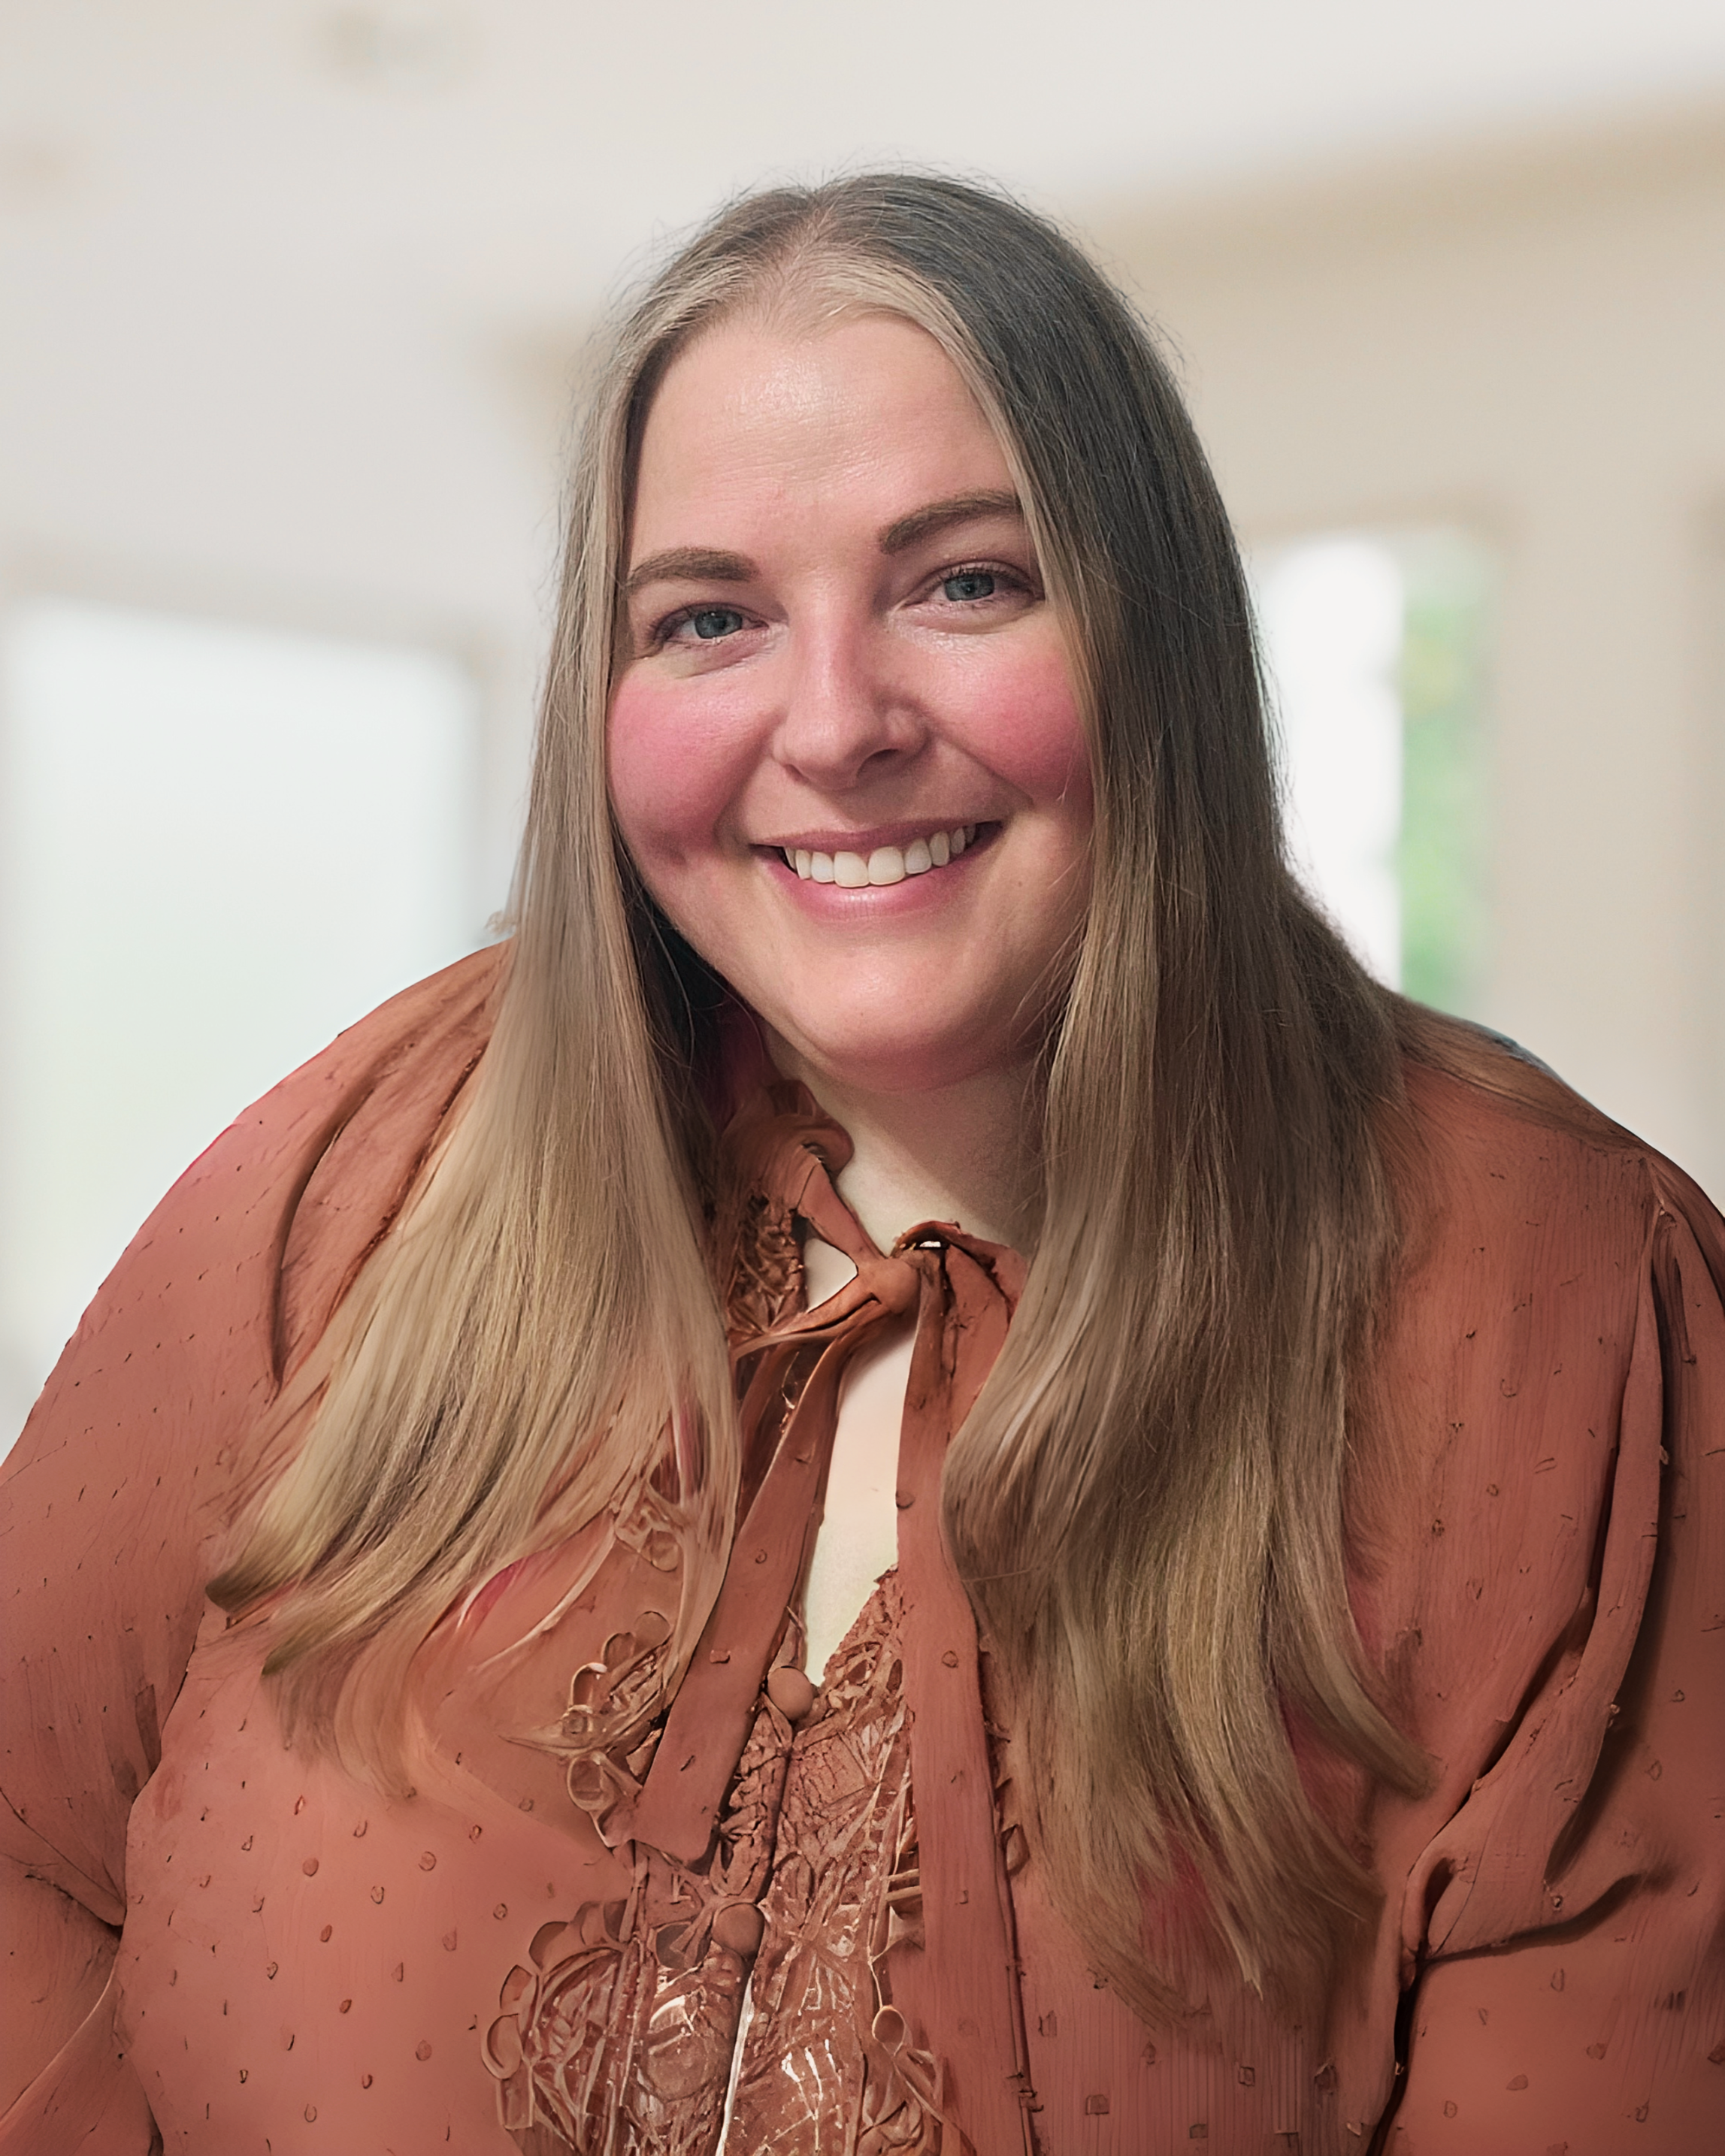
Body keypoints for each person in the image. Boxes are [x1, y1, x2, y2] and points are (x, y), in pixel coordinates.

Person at [2, 174, 1720, 2156]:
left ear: (1150, 630)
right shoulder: (365, 1162)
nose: (831, 724)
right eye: (708, 617)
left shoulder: (1561, 1308)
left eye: (959, 581)